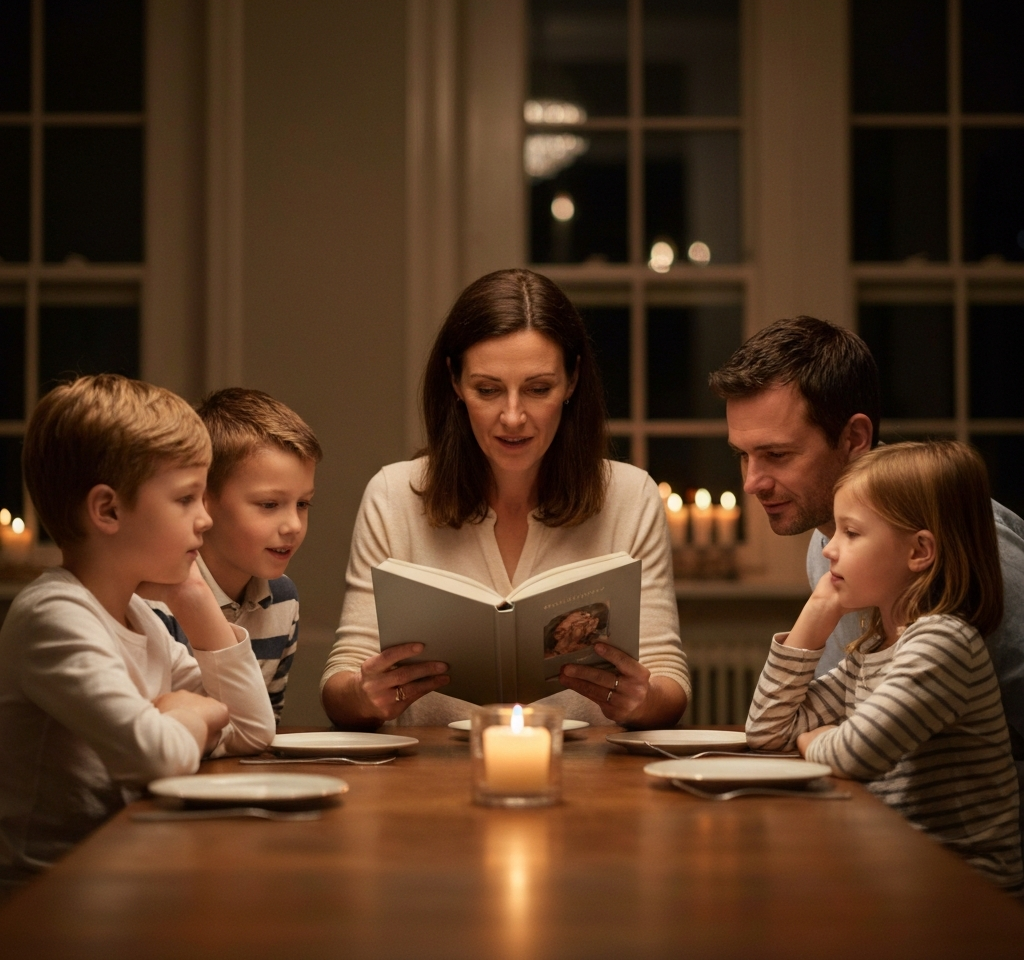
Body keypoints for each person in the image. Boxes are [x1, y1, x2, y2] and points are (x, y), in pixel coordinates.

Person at [320, 269, 689, 729]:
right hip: (429, 780)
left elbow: (669, 681)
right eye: (488, 390)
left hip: (590, 779)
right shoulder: (394, 495)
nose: (512, 417)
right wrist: (363, 695)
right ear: (455, 382)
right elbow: (341, 680)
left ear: (572, 381)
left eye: (538, 389)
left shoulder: (631, 497)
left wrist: (642, 701)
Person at [710, 315, 1024, 825]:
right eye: (743, 457)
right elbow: (796, 725)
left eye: (776, 455)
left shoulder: (969, 545)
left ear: (854, 437)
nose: (752, 482)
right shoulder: (829, 544)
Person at [0, 375, 275, 895]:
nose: (205, 519)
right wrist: (183, 713)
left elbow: (251, 729)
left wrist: (192, 597)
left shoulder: (139, 615)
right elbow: (154, 756)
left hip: (118, 870)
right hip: (42, 899)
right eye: (186, 498)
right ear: (107, 510)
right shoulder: (54, 617)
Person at [746, 441, 1022, 893]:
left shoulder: (942, 644)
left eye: (850, 533)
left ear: (919, 552)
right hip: (902, 870)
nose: (830, 550)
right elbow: (765, 731)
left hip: (967, 894)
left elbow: (853, 755)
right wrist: (816, 612)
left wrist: (815, 738)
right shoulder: (874, 650)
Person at [151, 388, 322, 722]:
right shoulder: (157, 602)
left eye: (303, 504)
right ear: (205, 500)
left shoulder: (284, 599)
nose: (292, 526)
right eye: (269, 505)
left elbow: (264, 725)